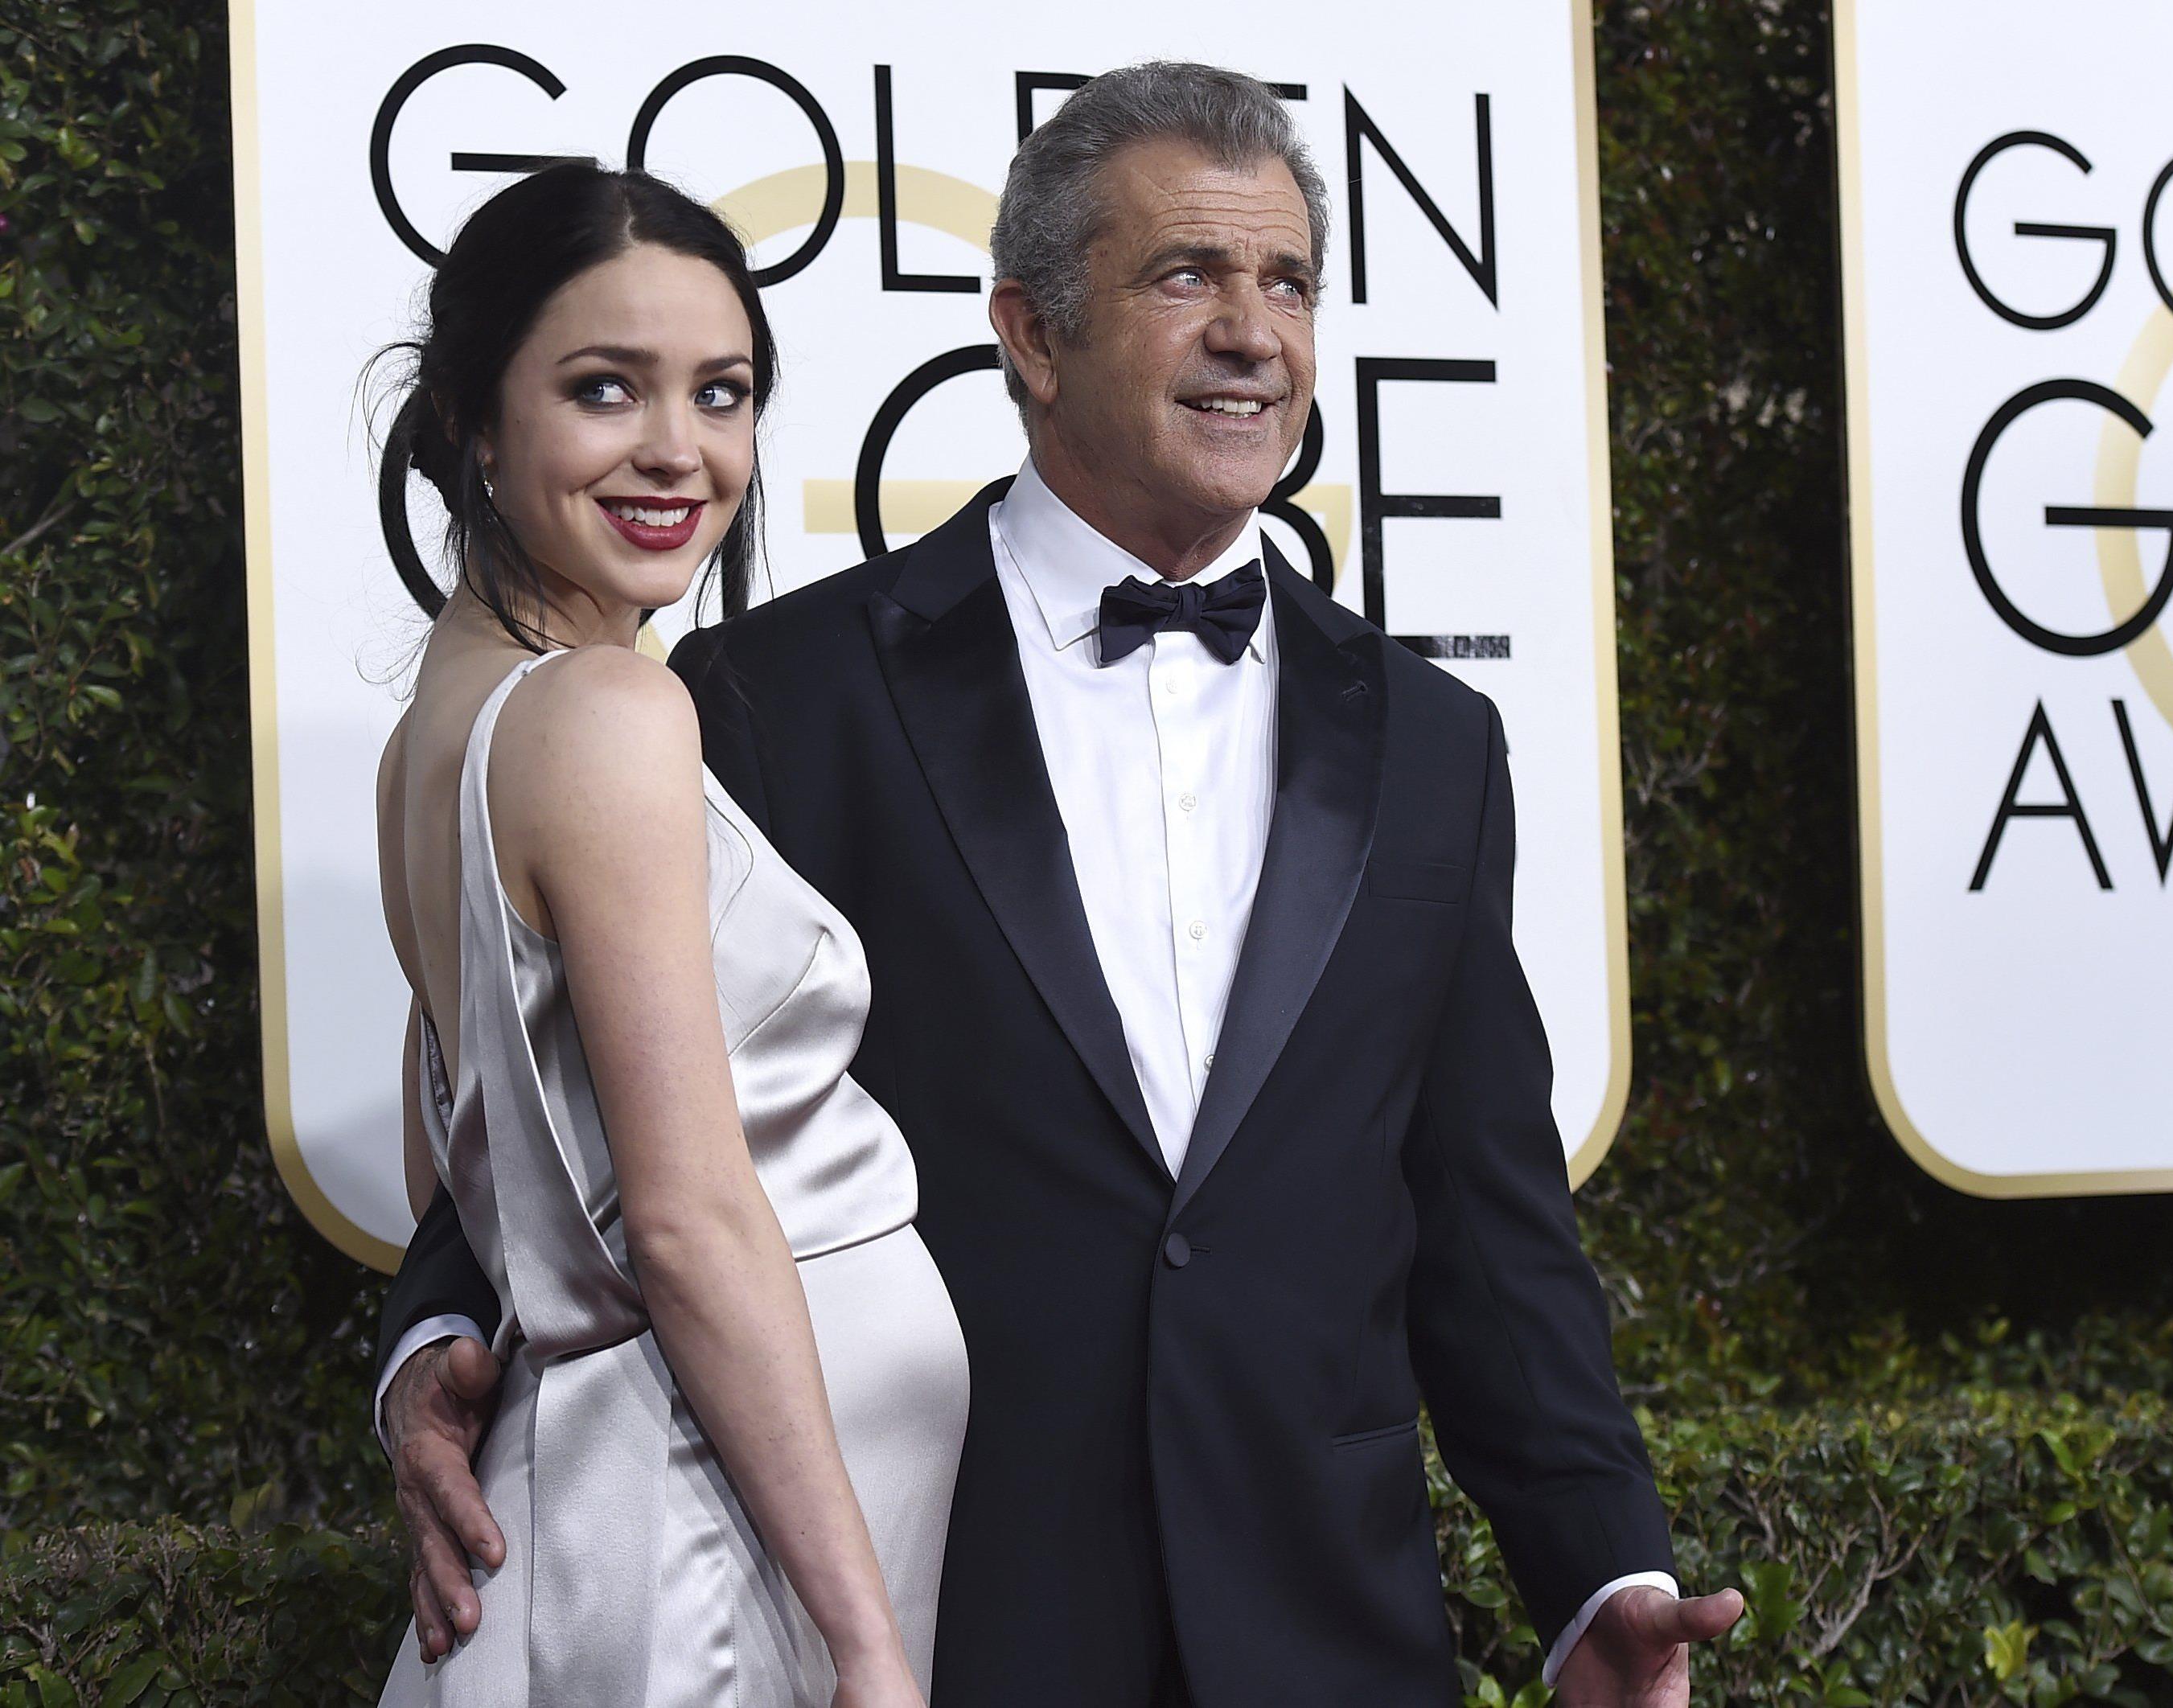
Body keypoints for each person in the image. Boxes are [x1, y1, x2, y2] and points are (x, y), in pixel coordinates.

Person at [377, 64, 1741, 1706]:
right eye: (1189, 277)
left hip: (1324, 1638)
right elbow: (571, 1082)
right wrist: (431, 1347)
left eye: (1291, 283)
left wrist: (1601, 1571)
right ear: (1027, 332)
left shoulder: (1435, 746)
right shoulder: (773, 694)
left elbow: (1490, 1216)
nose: (1257, 333)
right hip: (949, 1608)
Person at [366, 164, 966, 1706]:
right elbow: (689, 1223)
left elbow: (465, 1151)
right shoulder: (611, 712)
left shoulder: (433, 740)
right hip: (718, 1527)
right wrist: (868, 1649)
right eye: (603, 388)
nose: (679, 452)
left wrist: (422, 1360)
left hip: (649, 1488)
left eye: (723, 392)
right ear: (470, 421)